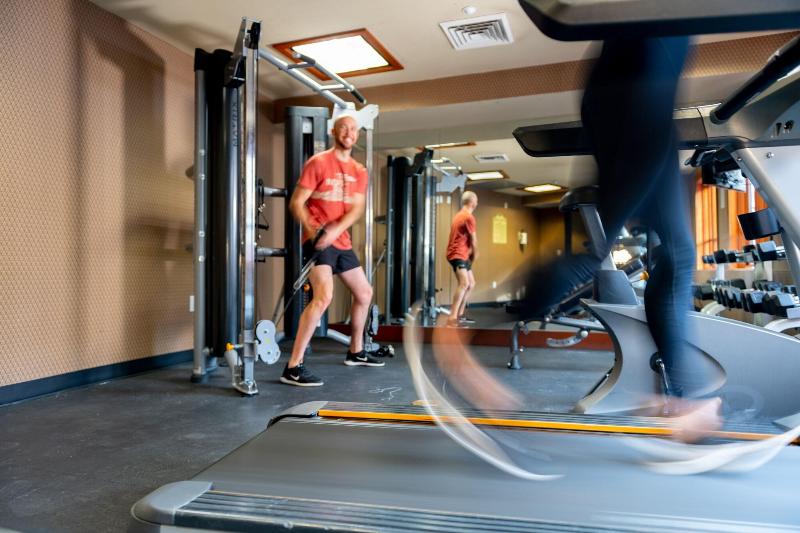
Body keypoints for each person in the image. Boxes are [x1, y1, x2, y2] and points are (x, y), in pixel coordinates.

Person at [433, 37, 721, 440]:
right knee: (600, 250)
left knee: (678, 254)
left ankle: (682, 397)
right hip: (637, 95)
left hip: (637, 95)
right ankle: (464, 343)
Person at [281, 114, 385, 387]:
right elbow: (297, 202)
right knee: (324, 297)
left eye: (353, 129)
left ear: (357, 135)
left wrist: (336, 230)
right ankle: (293, 366)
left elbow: (356, 209)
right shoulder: (318, 163)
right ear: (333, 132)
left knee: (364, 293)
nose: (349, 133)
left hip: (341, 241)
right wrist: (314, 229)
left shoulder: (359, 171)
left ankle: (356, 351)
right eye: (343, 128)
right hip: (317, 240)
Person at [444, 191, 479, 326]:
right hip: (457, 254)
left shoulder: (459, 215)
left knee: (471, 284)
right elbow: (474, 240)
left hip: (462, 254)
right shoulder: (468, 217)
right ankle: (452, 317)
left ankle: (460, 314)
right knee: (464, 283)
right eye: (476, 200)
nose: (477, 203)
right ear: (472, 202)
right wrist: (475, 255)